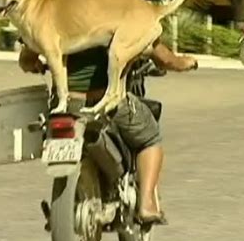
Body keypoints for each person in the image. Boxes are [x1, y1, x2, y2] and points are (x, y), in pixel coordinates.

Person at [18, 42, 195, 223]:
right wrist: (182, 62)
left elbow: (27, 59)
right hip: (104, 102)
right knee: (150, 138)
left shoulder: (56, 15)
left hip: (65, 106)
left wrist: (36, 64)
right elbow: (162, 56)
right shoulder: (115, 15)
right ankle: (147, 204)